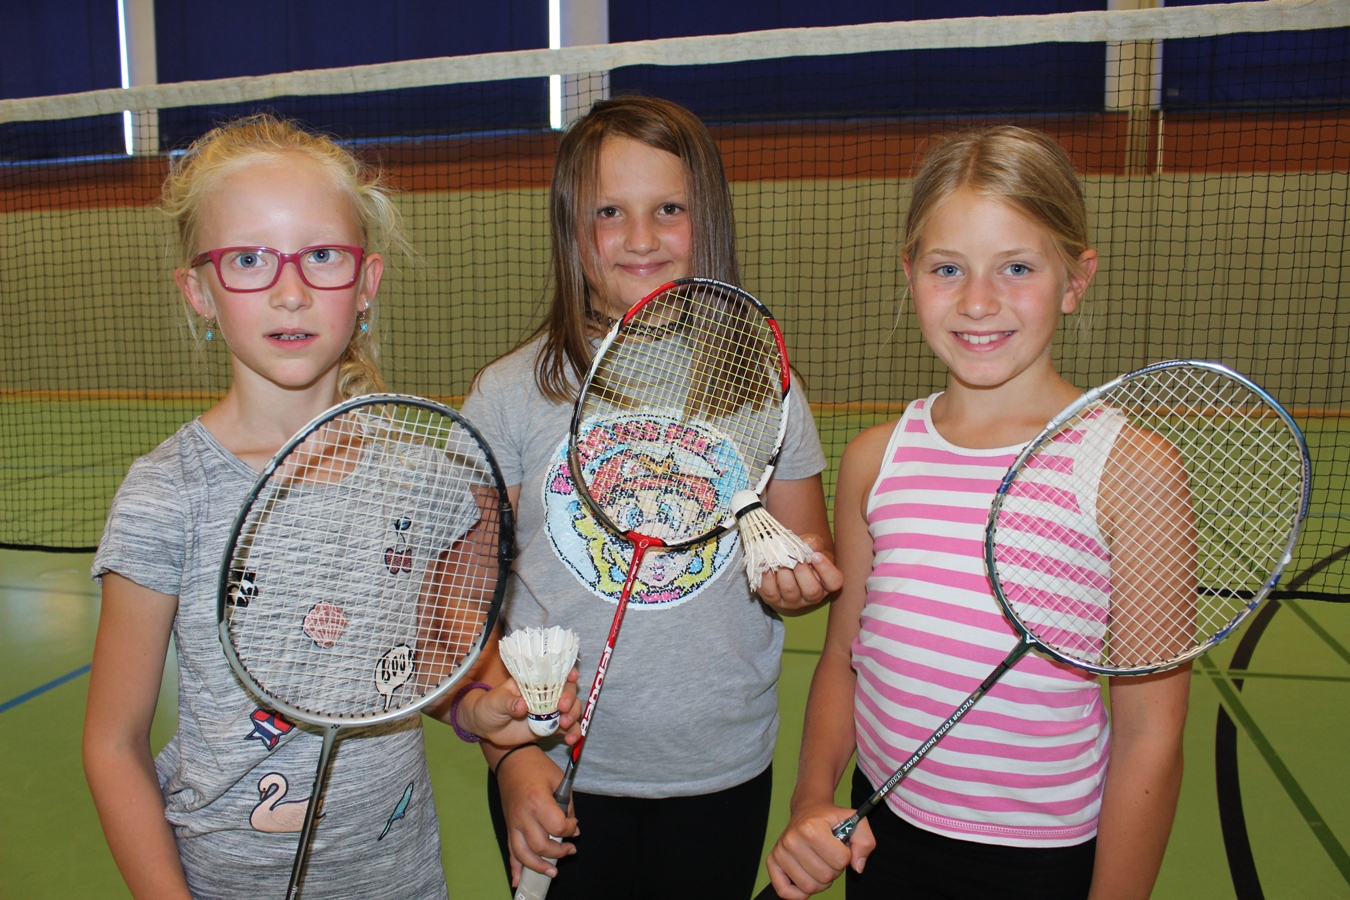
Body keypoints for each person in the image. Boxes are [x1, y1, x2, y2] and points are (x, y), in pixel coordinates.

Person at [82, 114, 564, 900]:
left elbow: (420, 669)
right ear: (199, 292)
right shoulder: (166, 496)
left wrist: (481, 713)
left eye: (322, 255)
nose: (291, 291)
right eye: (248, 259)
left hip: (401, 880)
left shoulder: (423, 478)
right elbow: (113, 743)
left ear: (366, 282)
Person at [764, 126, 1191, 900]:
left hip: (1040, 864)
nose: (978, 301)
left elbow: (1150, 739)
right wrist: (811, 800)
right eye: (948, 268)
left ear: (1075, 279)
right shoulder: (875, 460)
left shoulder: (1131, 469)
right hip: (879, 837)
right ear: (911, 274)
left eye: (1017, 267)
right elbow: (845, 660)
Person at [460, 95, 844, 899]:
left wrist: (798, 580)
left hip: (719, 769)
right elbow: (464, 607)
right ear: (571, 229)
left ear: (708, 220)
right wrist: (513, 759)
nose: (641, 237)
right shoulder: (509, 394)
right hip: (552, 770)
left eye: (669, 208)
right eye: (609, 212)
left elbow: (810, 549)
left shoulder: (763, 389)